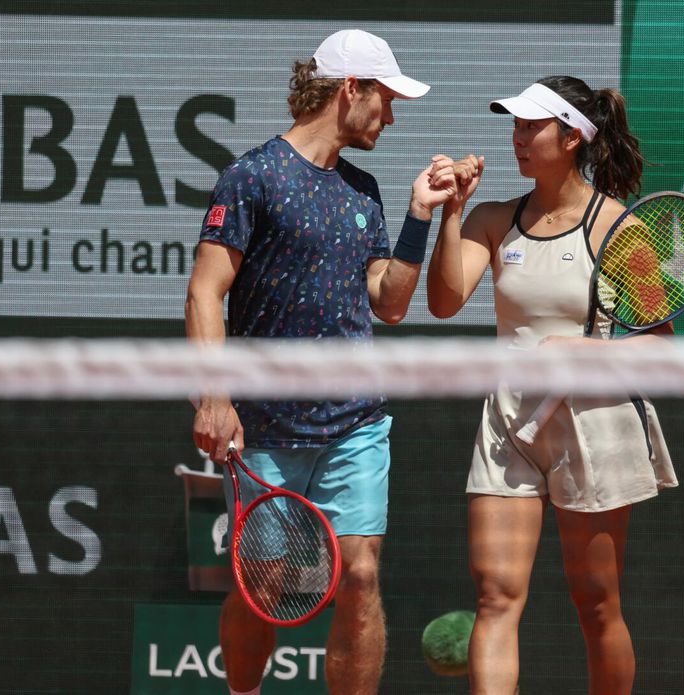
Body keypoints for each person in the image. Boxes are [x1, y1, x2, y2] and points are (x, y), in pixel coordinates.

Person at [185, 29, 471, 695]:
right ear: (351, 90)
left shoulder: (364, 190)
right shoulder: (252, 177)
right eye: (387, 100)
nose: (391, 116)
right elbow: (205, 291)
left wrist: (419, 217)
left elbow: (390, 302)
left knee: (362, 573)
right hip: (265, 426)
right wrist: (214, 396)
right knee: (265, 586)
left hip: (355, 424)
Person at [426, 76, 678, 695]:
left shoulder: (616, 227)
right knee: (495, 596)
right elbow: (444, 301)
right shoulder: (490, 220)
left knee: (596, 606)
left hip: (593, 424)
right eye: (513, 125)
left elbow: (662, 344)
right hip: (510, 425)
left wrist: (588, 350)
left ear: (571, 137)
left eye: (530, 126)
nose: (516, 137)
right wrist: (452, 212)